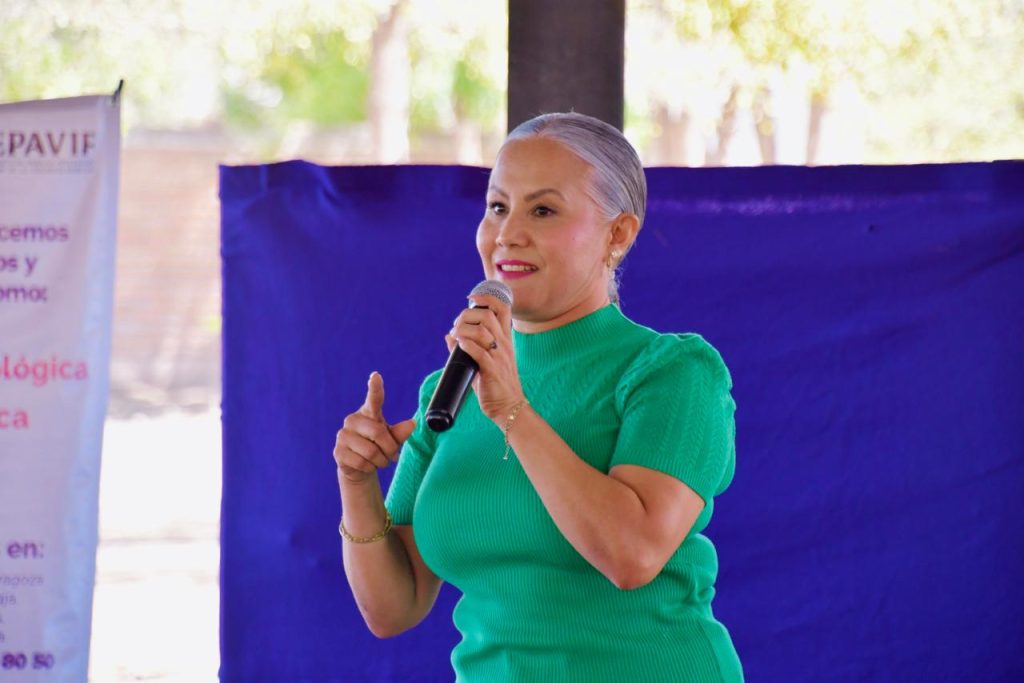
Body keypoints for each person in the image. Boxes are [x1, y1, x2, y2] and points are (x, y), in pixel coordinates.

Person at [333, 111, 744, 682]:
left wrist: (512, 411)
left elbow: (632, 556)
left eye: (543, 210)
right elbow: (393, 609)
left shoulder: (672, 373)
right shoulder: (448, 391)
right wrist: (357, 483)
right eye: (498, 207)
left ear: (618, 235)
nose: (508, 234)